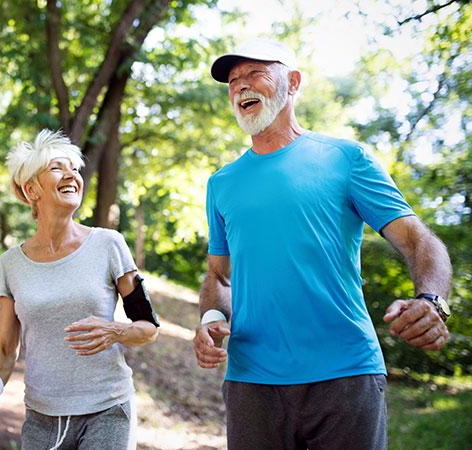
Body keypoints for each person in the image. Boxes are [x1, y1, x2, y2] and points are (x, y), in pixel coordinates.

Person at [192, 38, 453, 450]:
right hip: (251, 381)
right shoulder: (222, 183)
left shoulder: (346, 158)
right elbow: (219, 276)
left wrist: (431, 299)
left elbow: (419, 240)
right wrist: (209, 319)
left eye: (255, 73)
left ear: (292, 82)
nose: (240, 86)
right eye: (232, 80)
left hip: (344, 375)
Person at [0, 129, 159, 450]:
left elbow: (148, 328)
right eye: (57, 168)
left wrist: (115, 331)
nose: (71, 174)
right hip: (42, 417)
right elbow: (5, 349)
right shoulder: (11, 264)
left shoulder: (109, 245)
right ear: (32, 189)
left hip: (108, 409)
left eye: (75, 169)